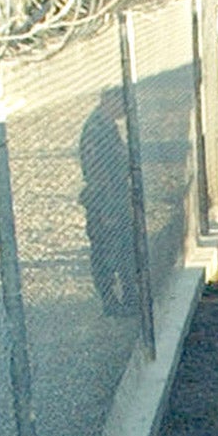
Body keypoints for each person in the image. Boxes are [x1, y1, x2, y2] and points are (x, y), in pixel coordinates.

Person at [77, 94, 139, 316]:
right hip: (105, 201)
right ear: (109, 101)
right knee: (105, 253)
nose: (125, 110)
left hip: (116, 198)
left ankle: (130, 298)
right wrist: (107, 207)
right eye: (122, 104)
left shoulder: (108, 126)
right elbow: (97, 173)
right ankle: (111, 302)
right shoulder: (96, 129)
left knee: (124, 249)